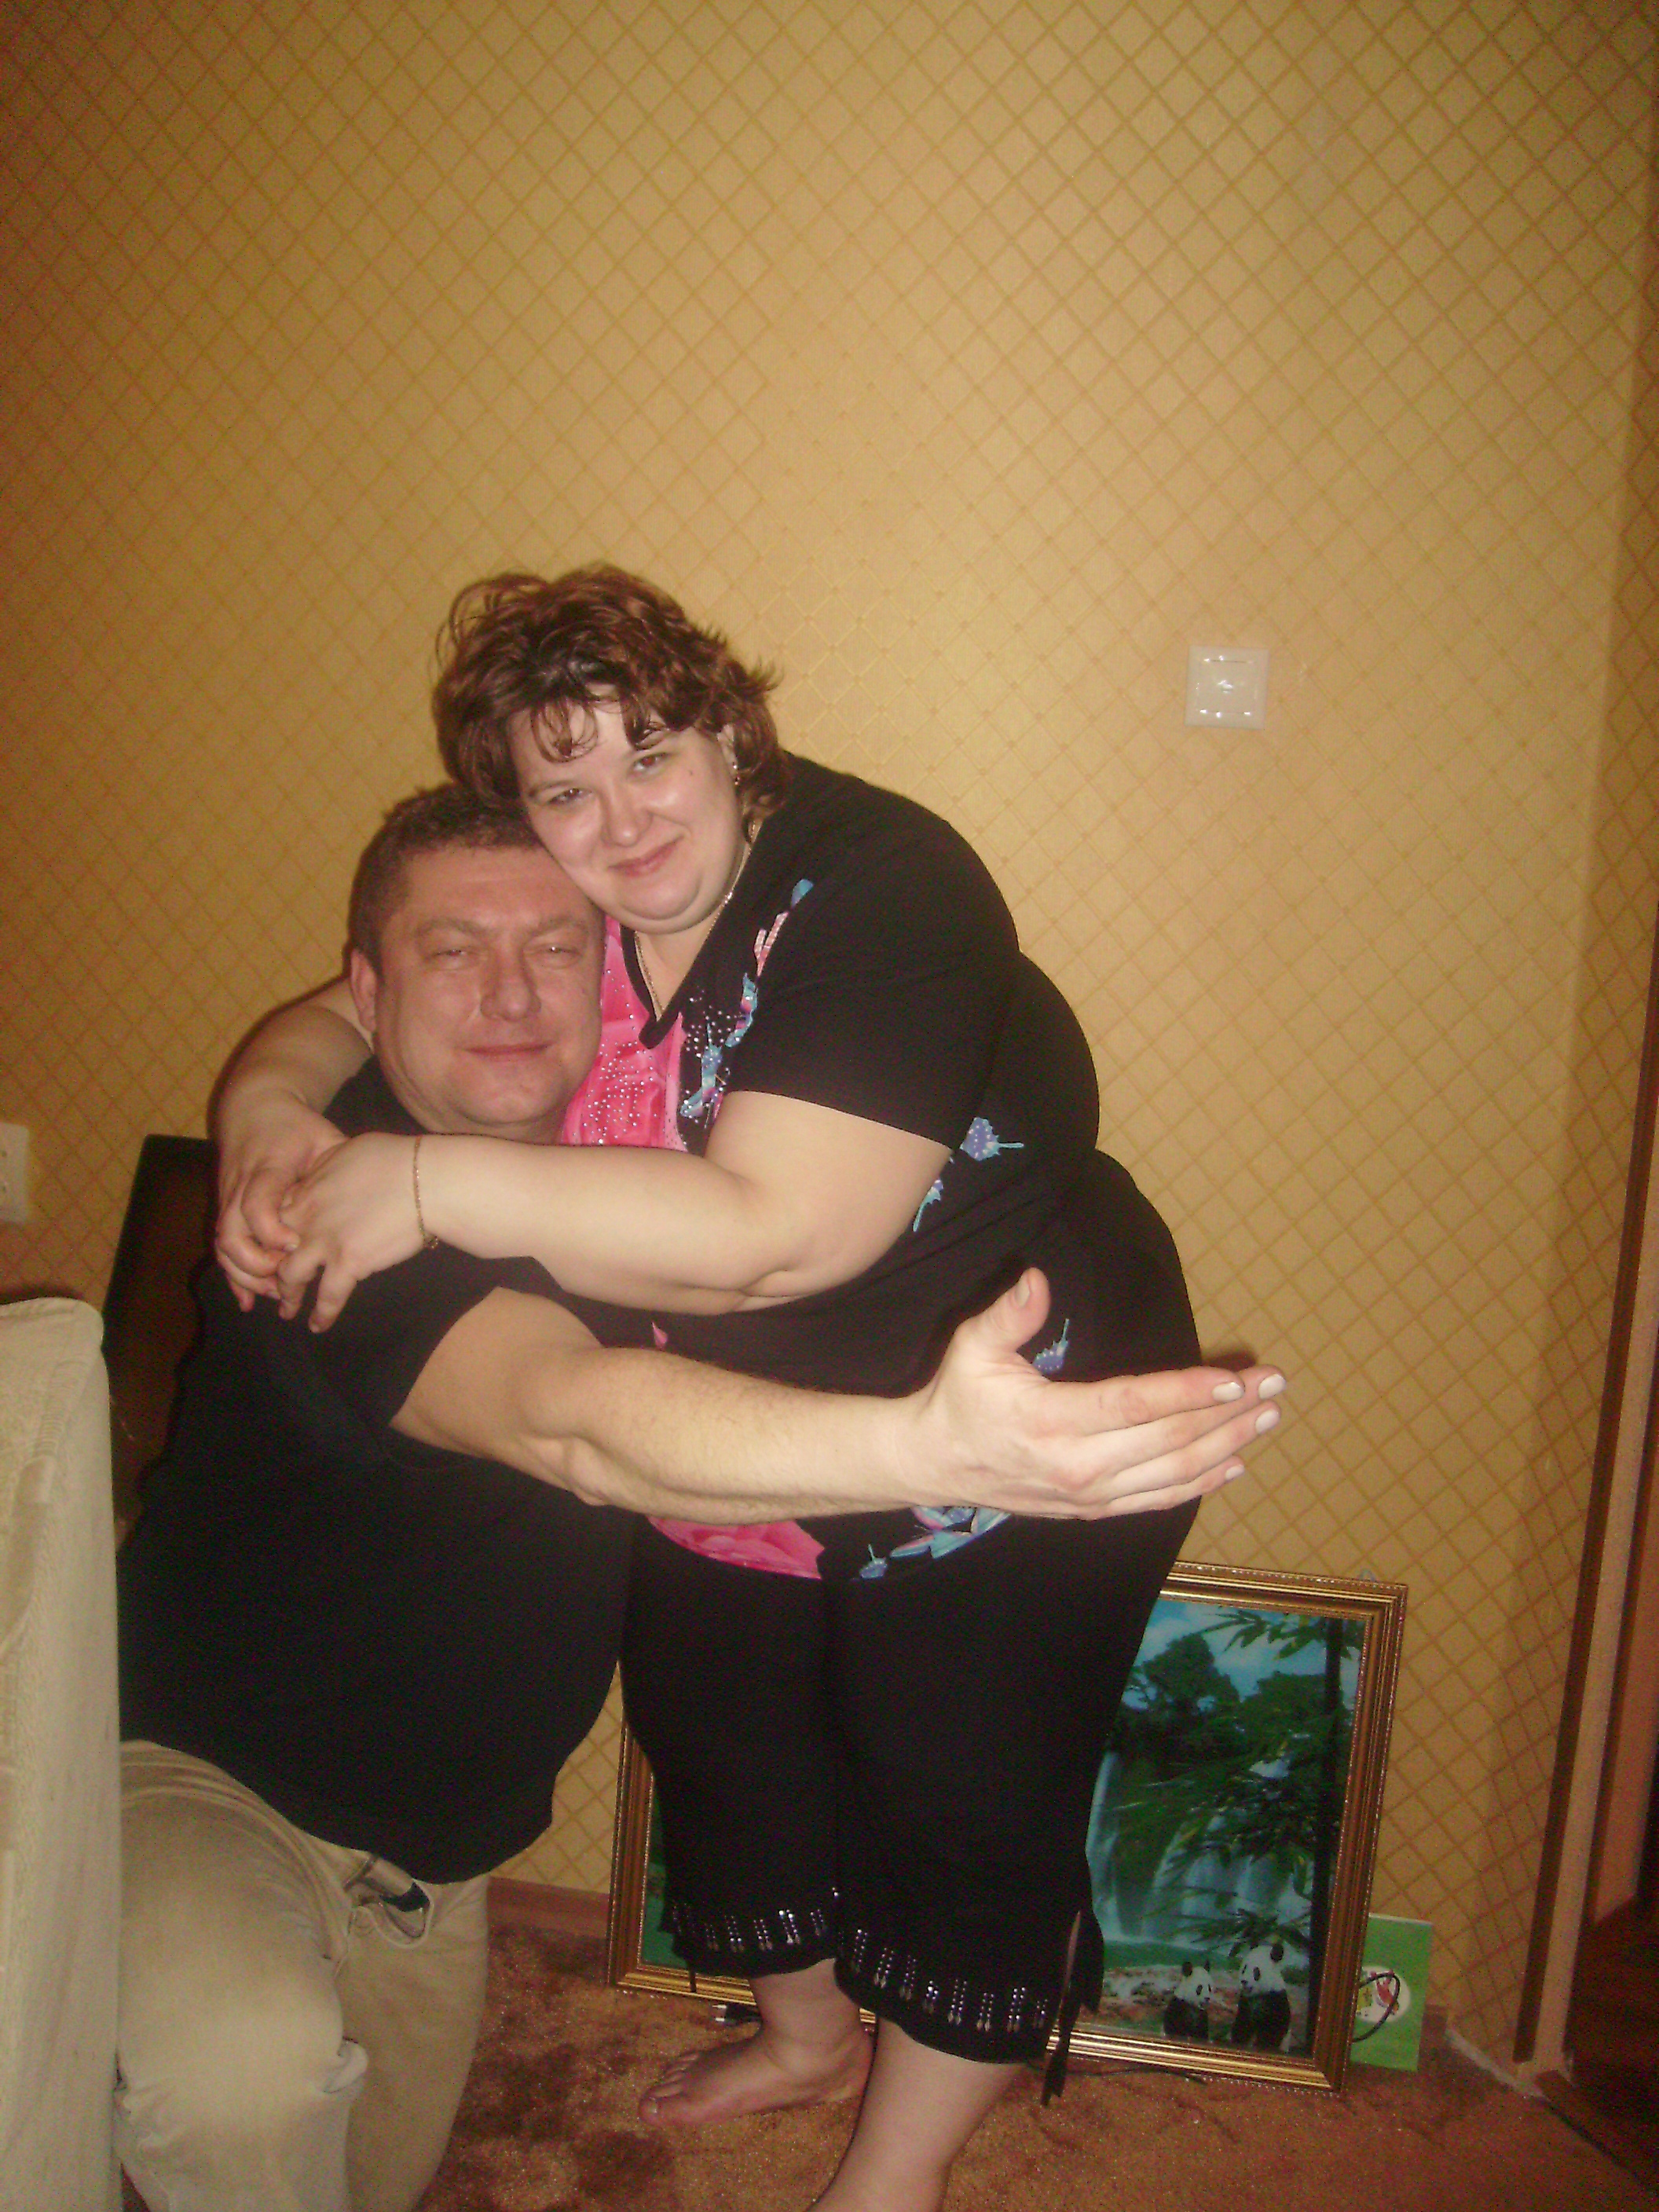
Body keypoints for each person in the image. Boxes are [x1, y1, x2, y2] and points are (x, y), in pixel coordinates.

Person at [215, 574, 1284, 2212]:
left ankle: (892, 2177)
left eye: (651, 756)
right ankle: (805, 2036)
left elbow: (778, 1237)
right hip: (740, 1420)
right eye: (564, 789)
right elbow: (364, 996)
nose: (621, 819)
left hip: (1005, 1405)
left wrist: (426, 1184)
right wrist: (271, 1112)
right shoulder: (589, 902)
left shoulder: (881, 885)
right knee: (716, 1719)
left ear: (731, 730)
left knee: (958, 1779)